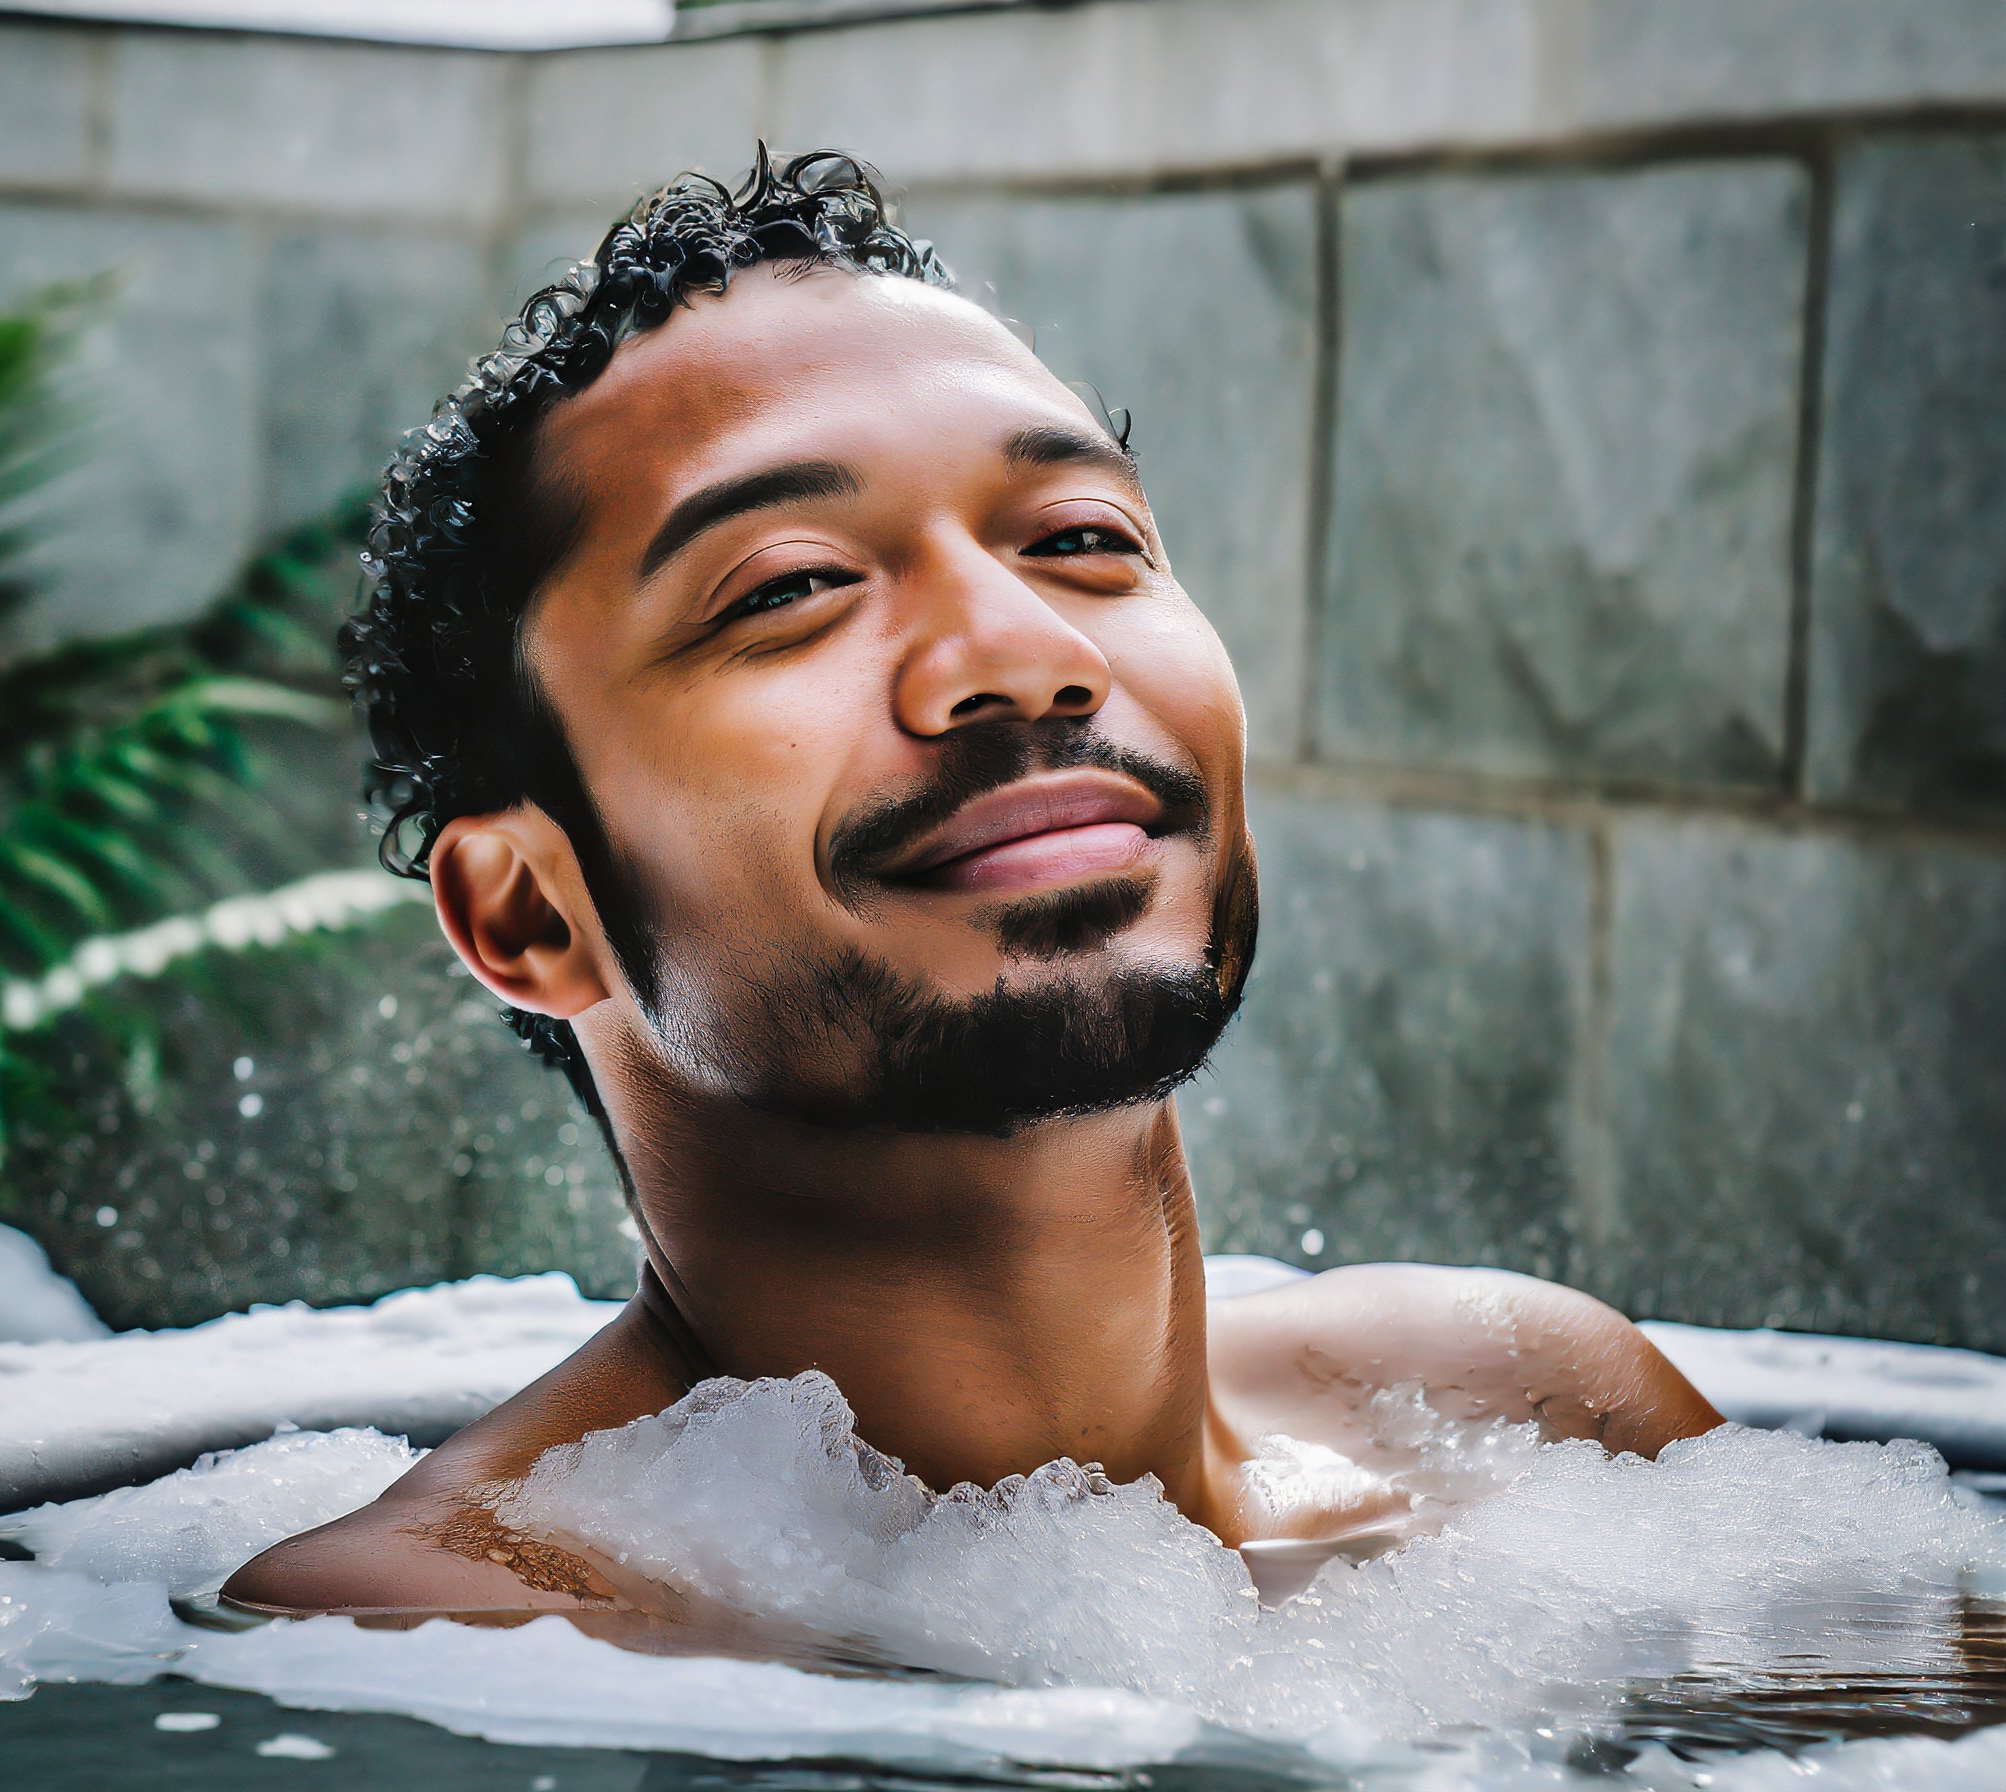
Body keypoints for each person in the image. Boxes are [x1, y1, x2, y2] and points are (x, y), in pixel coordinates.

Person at [224, 149, 1718, 1624]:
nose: (1025, 655)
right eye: (790, 586)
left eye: (1082, 539)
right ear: (530, 914)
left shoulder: (1535, 1415)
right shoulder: (460, 1631)